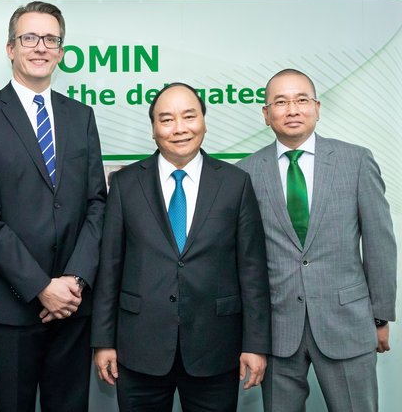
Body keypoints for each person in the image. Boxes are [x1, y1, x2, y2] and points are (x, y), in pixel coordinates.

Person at [0, 1, 106, 412]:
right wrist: (42, 287)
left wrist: (73, 281)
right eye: (29, 38)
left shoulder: (81, 117)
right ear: (10, 48)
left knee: (70, 405)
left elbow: (97, 204)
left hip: (74, 300)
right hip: (14, 298)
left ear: (61, 51)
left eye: (51, 39)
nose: (40, 47)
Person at [91, 82, 271, 411]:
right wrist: (103, 341)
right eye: (167, 119)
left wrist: (256, 344)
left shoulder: (235, 183)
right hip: (138, 348)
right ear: (153, 128)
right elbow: (110, 268)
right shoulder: (124, 184)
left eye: (189, 116)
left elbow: (252, 270)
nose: (179, 129)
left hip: (216, 348)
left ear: (203, 120)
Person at [237, 68, 397, 412]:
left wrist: (380, 317)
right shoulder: (246, 172)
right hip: (277, 330)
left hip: (348, 323)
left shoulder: (356, 161)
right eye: (280, 102)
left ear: (317, 107)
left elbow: (379, 242)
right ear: (266, 115)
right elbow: (243, 259)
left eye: (301, 100)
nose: (292, 109)